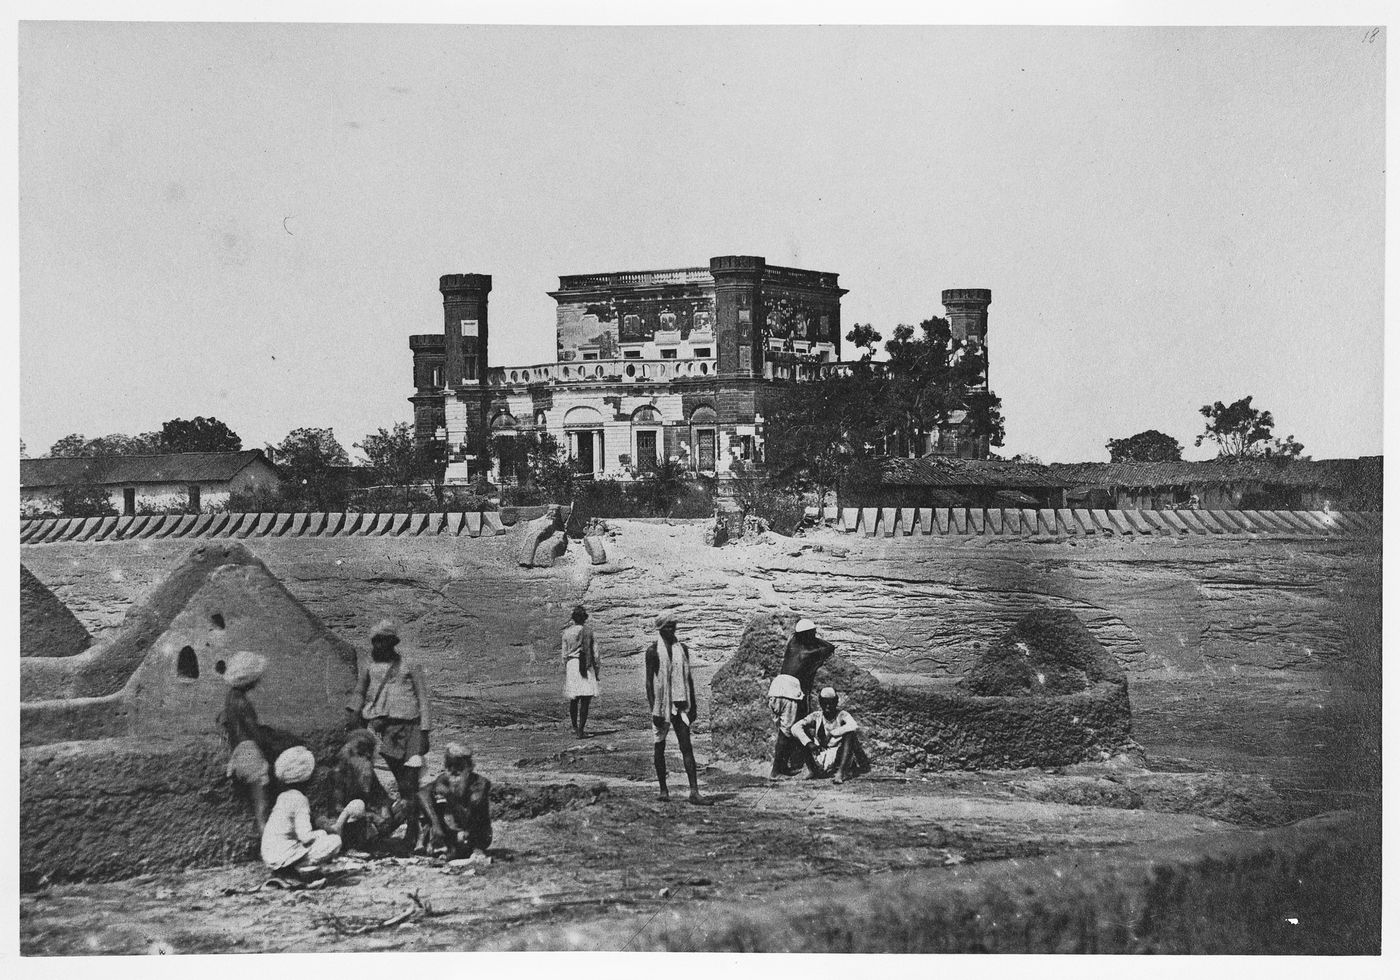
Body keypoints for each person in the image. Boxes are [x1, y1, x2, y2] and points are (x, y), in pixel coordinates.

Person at [348, 619, 432, 853]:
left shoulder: (409, 664)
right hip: (387, 731)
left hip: (412, 728)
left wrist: (425, 732)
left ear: (392, 642)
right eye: (375, 641)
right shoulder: (369, 666)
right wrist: (354, 714)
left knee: (411, 782)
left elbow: (423, 700)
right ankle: (414, 828)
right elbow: (359, 691)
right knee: (403, 783)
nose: (378, 646)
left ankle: (414, 833)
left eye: (383, 641)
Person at [218, 650, 300, 833]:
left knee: (260, 804)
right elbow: (255, 735)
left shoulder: (231, 697)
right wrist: (278, 741)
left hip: (240, 751)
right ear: (249, 678)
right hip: (249, 753)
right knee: (262, 806)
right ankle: (268, 844)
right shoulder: (243, 703)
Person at [261, 746, 345, 884]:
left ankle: (286, 870)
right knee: (334, 841)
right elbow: (305, 837)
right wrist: (322, 832)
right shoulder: (300, 800)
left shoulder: (283, 796)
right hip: (282, 855)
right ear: (308, 777)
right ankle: (292, 869)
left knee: (321, 837)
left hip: (270, 854)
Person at [645, 612, 702, 804]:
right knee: (659, 747)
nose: (671, 630)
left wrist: (692, 705)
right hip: (662, 705)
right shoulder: (652, 651)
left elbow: (689, 679)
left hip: (680, 703)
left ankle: (694, 791)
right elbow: (648, 683)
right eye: (668, 627)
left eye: (673, 626)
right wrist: (655, 709)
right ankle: (663, 790)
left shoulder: (682, 649)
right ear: (660, 629)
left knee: (686, 746)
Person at [766, 619, 835, 778]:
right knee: (787, 733)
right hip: (789, 692)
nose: (815, 635)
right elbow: (829, 647)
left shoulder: (792, 644)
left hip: (776, 688)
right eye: (813, 633)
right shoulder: (809, 652)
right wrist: (814, 639)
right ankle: (776, 772)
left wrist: (808, 635)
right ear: (808, 635)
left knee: (786, 731)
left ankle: (782, 767)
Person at [315, 729, 397, 853]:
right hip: (348, 822)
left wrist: (385, 808)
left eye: (367, 757)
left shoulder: (367, 772)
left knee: (402, 806)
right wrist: (370, 815)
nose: (366, 760)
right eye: (361, 755)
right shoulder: (338, 773)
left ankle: (373, 839)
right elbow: (336, 809)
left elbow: (382, 796)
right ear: (353, 755)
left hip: (367, 820)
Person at [418, 743, 493, 859]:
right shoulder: (443, 779)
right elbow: (422, 793)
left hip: (474, 832)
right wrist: (436, 824)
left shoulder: (480, 784)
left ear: (469, 767)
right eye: (449, 766)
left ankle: (471, 848)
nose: (453, 771)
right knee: (430, 803)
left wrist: (450, 795)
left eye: (459, 766)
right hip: (452, 831)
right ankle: (441, 843)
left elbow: (473, 813)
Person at [790, 687, 871, 784]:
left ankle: (841, 772)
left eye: (831, 702)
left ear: (836, 702)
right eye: (824, 703)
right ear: (820, 703)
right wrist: (809, 743)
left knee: (850, 735)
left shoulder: (842, 715)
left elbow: (853, 726)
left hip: (837, 755)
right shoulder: (816, 716)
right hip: (819, 754)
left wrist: (832, 733)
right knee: (801, 733)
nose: (828, 706)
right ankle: (812, 770)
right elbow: (795, 727)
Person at [562, 605, 600, 738]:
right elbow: (595, 654)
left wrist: (566, 668)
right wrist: (597, 670)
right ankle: (581, 730)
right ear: (584, 618)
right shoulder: (588, 632)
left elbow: (564, 655)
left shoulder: (567, 633)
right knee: (585, 698)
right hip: (585, 664)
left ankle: (574, 727)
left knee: (574, 698)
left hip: (572, 665)